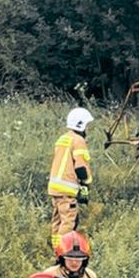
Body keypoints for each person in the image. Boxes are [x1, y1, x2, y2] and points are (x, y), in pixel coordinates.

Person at [48, 107, 94, 249]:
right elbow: (80, 167)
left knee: (58, 221)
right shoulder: (78, 140)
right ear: (81, 125)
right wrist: (86, 185)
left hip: (55, 188)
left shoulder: (63, 139)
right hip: (67, 189)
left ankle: (55, 249)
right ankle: (63, 251)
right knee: (68, 222)